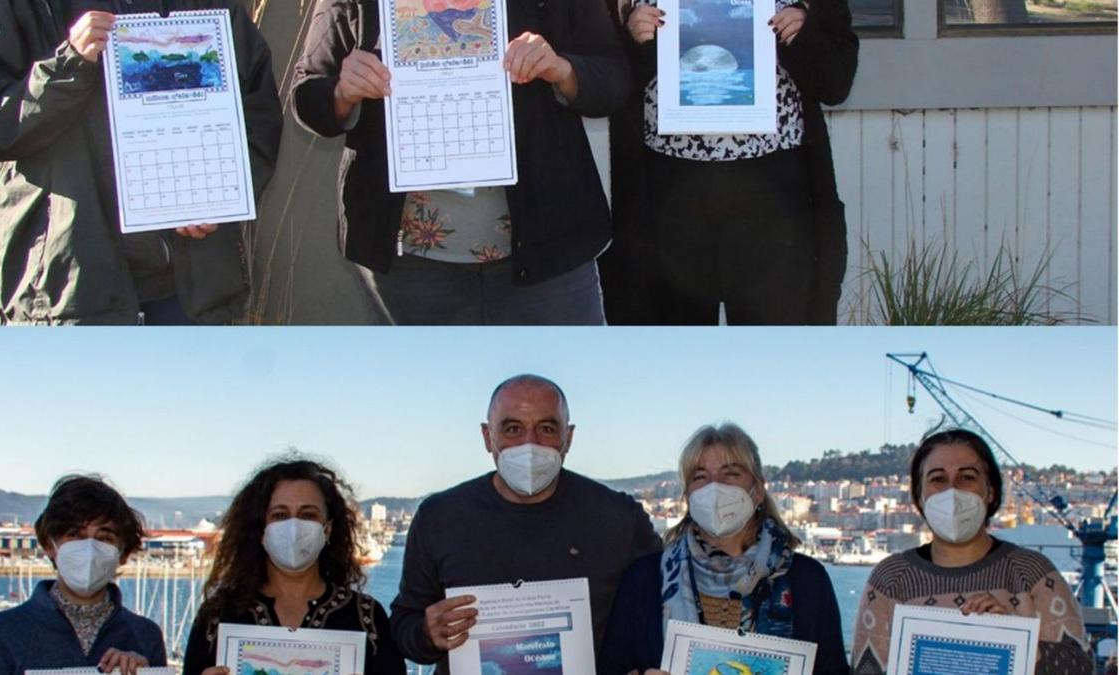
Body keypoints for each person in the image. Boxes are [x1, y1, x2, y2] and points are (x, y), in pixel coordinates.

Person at [0, 0, 282, 324]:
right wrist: (67, 66)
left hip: (188, 289)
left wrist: (218, 198)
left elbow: (256, 113)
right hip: (67, 288)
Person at [289, 0, 628, 325]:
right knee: (426, 384)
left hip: (550, 250)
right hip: (410, 265)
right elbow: (308, 95)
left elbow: (613, 80)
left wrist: (562, 70)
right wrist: (343, 92)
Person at [598, 0, 858, 325]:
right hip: (665, 194)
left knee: (774, 357)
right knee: (673, 355)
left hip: (778, 193)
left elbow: (836, 83)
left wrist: (804, 35)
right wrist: (634, 39)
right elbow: (602, 83)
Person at [389, 374, 663, 672]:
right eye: (513, 429)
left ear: (568, 438)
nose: (530, 444)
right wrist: (427, 634)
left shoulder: (619, 517)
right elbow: (404, 624)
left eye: (546, 428)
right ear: (486, 436)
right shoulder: (439, 517)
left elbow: (657, 614)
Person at [600, 423, 850, 675]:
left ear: (758, 491)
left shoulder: (807, 580)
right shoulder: (645, 580)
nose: (714, 486)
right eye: (700, 477)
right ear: (687, 496)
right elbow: (611, 668)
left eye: (730, 474)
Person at [851, 428, 1094, 675]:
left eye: (967, 477)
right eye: (937, 479)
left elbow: (1080, 668)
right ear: (920, 496)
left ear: (990, 491)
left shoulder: (1032, 573)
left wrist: (1015, 638)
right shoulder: (891, 578)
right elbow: (866, 669)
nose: (952, 490)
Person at [182, 457, 404, 675]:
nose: (294, 526)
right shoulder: (218, 615)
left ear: (327, 529)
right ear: (260, 530)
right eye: (280, 515)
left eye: (308, 515)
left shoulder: (365, 617)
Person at [0, 475, 166, 675]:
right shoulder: (5, 629)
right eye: (74, 535)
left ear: (123, 553)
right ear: (49, 545)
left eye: (104, 538)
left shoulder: (145, 635)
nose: (89, 548)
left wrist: (145, 673)